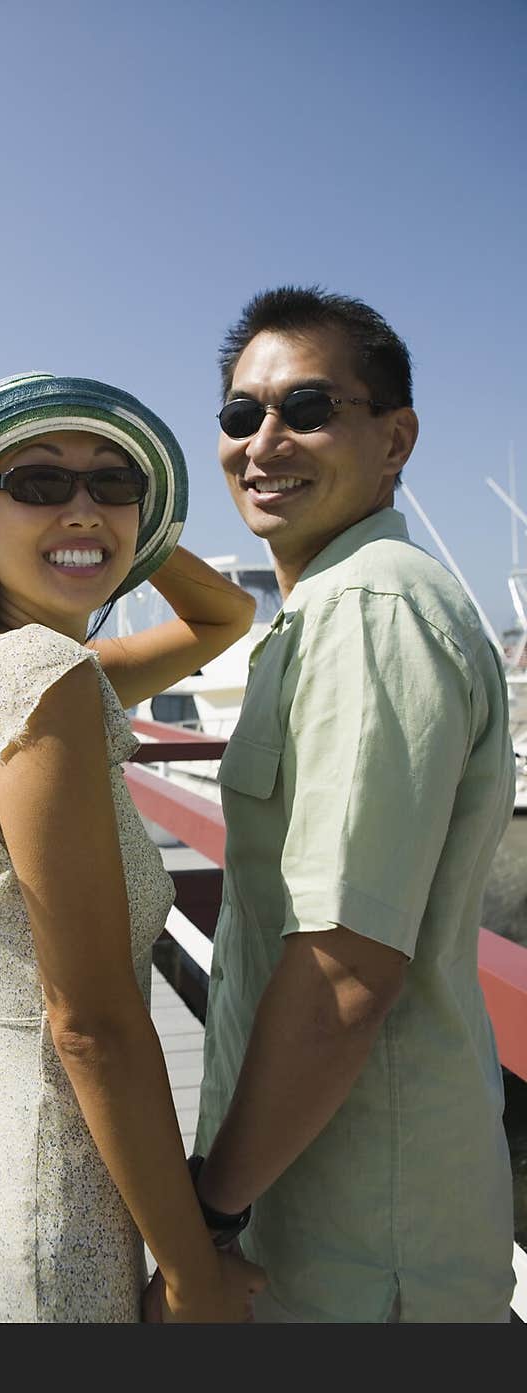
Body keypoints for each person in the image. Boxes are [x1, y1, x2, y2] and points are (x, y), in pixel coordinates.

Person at [169, 287, 516, 1323]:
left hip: (365, 1242)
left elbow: (344, 972)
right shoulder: (320, 609)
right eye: (240, 416)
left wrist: (208, 1213)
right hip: (335, 1213)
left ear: (394, 436)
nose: (263, 441)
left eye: (307, 408)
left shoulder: (372, 610)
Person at [0, 372, 265, 1323]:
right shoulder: (40, 676)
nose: (83, 503)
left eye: (112, 481)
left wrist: (125, 534)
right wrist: (192, 1276)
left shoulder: (21, 668)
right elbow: (91, 1020)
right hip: (51, 1219)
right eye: (40, 484)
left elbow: (225, 619)